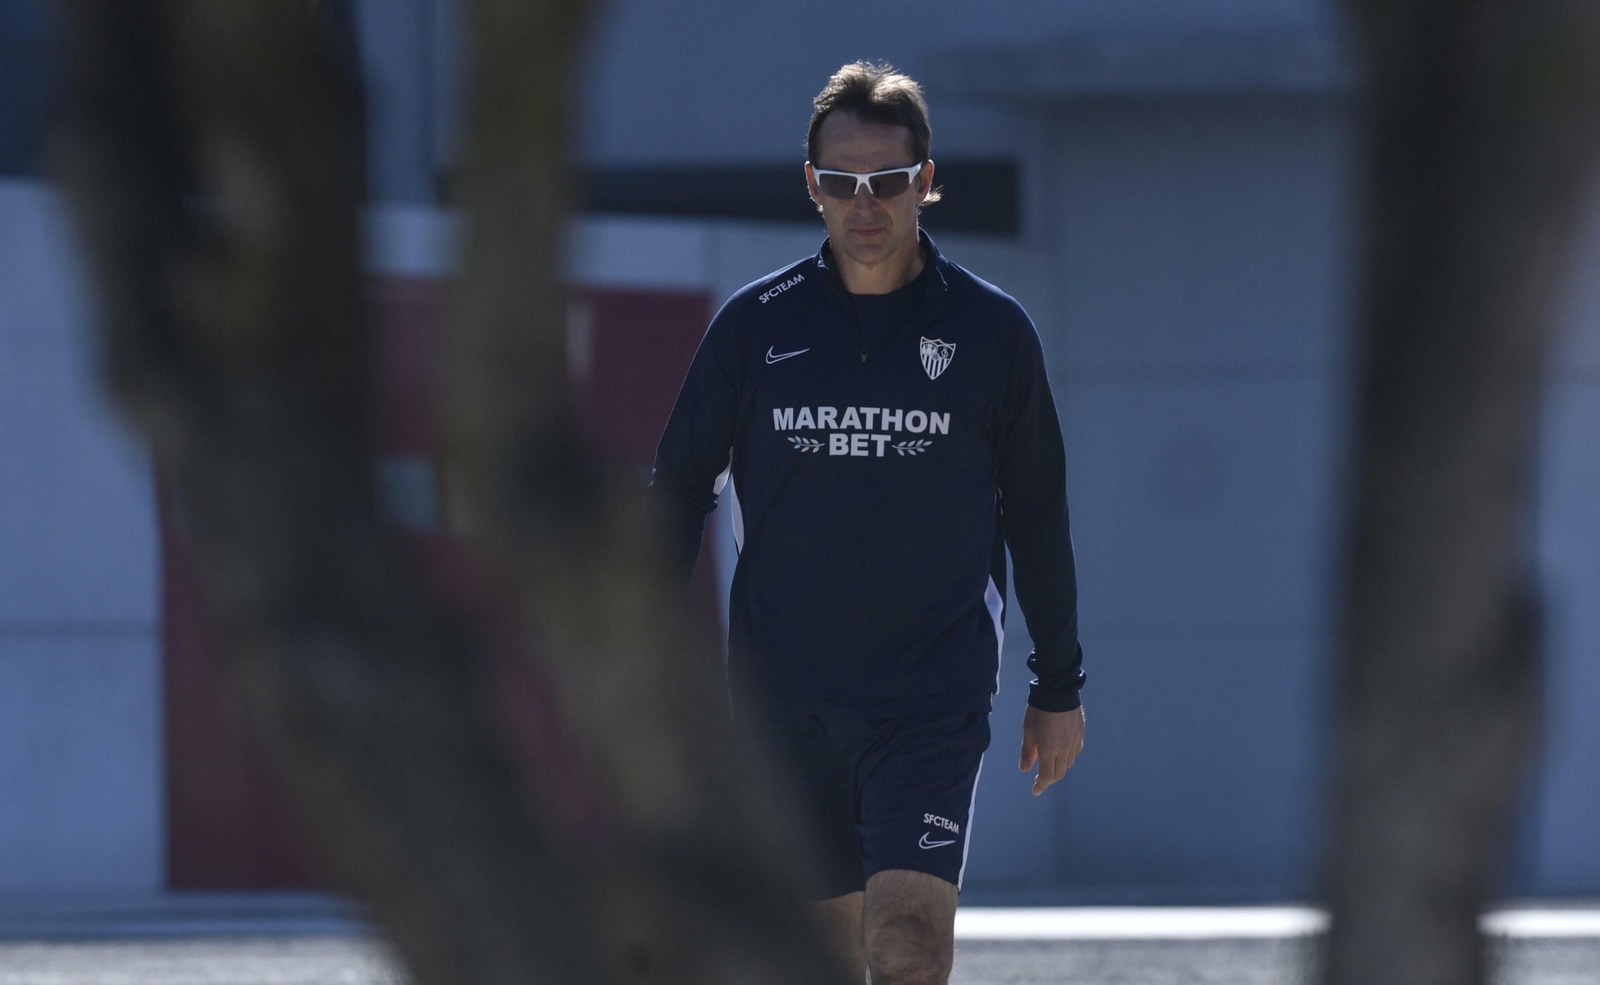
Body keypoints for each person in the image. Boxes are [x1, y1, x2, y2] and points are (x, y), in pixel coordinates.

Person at [645, 60, 1085, 985]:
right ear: (813, 187)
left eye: (887, 181)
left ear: (926, 179)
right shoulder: (753, 328)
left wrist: (1057, 683)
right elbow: (681, 484)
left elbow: (1038, 507)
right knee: (821, 959)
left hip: (932, 693)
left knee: (908, 942)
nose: (865, 203)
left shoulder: (993, 335)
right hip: (781, 696)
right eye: (841, 183)